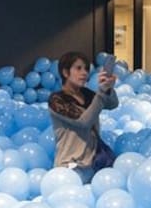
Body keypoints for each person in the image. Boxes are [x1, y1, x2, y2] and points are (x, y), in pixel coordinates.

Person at [49, 52, 119, 183]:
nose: (84, 73)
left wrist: (109, 88)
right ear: (65, 72)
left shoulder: (87, 94)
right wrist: (101, 92)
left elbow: (112, 104)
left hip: (94, 163)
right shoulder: (57, 100)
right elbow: (84, 122)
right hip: (71, 166)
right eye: (78, 68)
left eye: (86, 68)